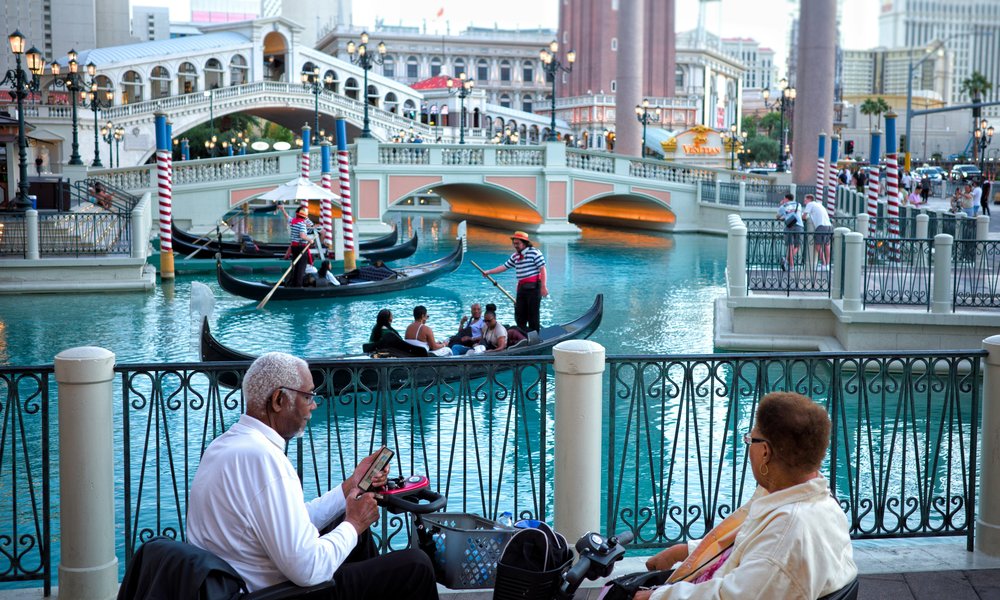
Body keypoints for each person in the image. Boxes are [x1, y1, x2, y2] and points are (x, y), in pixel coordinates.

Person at [186, 352, 438, 599]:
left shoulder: (224, 446)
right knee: (416, 566)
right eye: (307, 396)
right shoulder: (263, 459)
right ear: (278, 400)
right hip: (272, 594)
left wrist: (351, 486)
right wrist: (354, 523)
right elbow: (308, 570)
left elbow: (291, 522)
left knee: (350, 532)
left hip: (238, 584)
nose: (314, 405)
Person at [635, 392, 856, 600]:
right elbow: (746, 544)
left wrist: (657, 596)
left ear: (765, 452)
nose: (749, 446)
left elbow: (728, 595)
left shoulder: (786, 534)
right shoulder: (819, 502)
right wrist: (684, 551)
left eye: (750, 439)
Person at [481, 231, 548, 332]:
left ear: (524, 243)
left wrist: (543, 286)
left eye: (517, 243)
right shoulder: (515, 256)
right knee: (519, 314)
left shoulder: (535, 253)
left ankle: (534, 336)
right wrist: (489, 272)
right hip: (522, 288)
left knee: (533, 314)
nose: (515, 245)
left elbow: (542, 269)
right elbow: (504, 267)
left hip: (534, 288)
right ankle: (523, 334)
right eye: (514, 243)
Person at [279, 204, 314, 287]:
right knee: (301, 267)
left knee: (295, 266)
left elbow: (287, 216)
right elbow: (302, 236)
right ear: (304, 216)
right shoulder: (302, 224)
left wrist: (283, 209)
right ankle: (298, 285)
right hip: (301, 247)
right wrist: (310, 240)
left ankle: (294, 283)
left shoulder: (293, 221)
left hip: (294, 247)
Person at [801, 193, 832, 270]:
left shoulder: (810, 204)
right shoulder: (819, 205)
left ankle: (824, 264)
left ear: (809, 199)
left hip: (821, 226)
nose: (804, 201)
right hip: (829, 225)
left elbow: (804, 216)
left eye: (805, 200)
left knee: (818, 245)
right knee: (827, 244)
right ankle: (827, 265)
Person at [775, 194, 802, 272]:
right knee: (797, 246)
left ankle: (790, 265)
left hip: (789, 226)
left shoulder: (783, 206)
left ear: (786, 199)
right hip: (799, 226)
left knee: (790, 246)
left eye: (784, 198)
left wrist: (782, 204)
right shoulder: (799, 205)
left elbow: (777, 216)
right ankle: (787, 261)